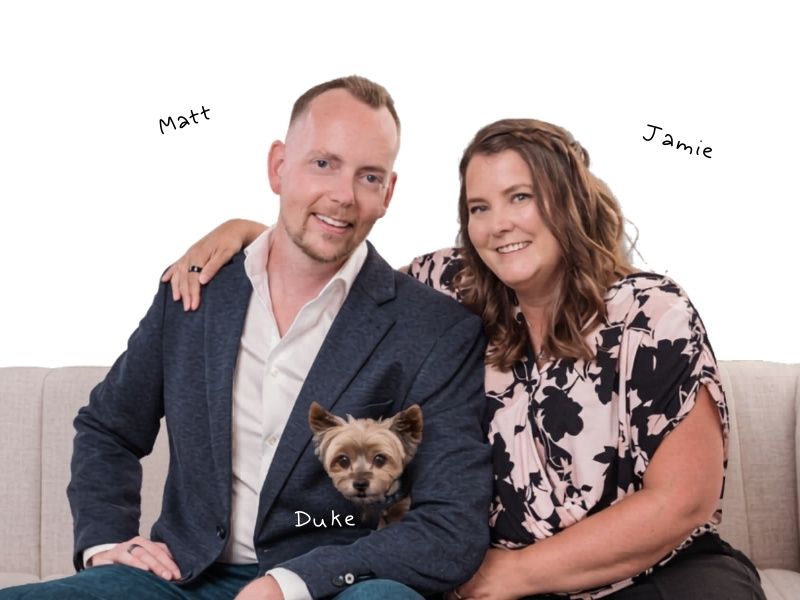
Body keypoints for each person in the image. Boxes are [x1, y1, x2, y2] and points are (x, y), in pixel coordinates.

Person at [166, 118, 766, 599]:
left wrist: (517, 573)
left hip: (650, 576)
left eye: (520, 197)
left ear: (569, 201)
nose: (498, 224)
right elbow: (333, 272)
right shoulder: (452, 290)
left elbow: (681, 500)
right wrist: (248, 233)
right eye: (479, 207)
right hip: (490, 585)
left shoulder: (650, 312)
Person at [0, 76, 492, 600]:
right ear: (278, 166)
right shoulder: (194, 290)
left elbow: (450, 526)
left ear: (387, 193)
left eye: (368, 176)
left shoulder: (434, 330)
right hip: (180, 579)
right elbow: (109, 427)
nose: (343, 196)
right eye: (323, 163)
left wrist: (292, 582)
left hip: (331, 585)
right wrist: (106, 543)